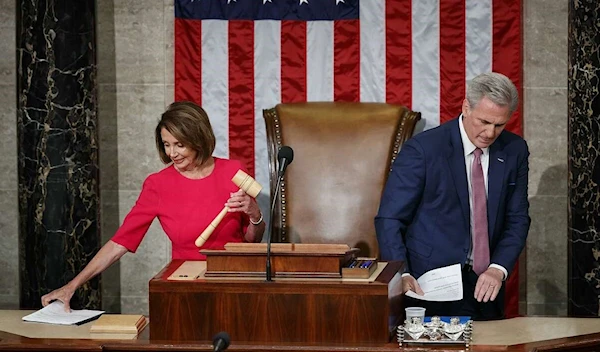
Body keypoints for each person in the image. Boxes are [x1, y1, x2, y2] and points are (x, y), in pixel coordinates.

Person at [42, 101, 266, 311]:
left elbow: (251, 241)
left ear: (199, 139)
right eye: (166, 144)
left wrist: (254, 214)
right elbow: (120, 242)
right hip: (186, 286)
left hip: (236, 278)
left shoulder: (232, 171)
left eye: (180, 144)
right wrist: (73, 285)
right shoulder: (158, 185)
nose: (172, 153)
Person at [375, 72, 530, 320]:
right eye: (484, 121)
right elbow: (389, 219)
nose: (490, 133)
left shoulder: (514, 151)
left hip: (487, 284)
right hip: (429, 285)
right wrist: (401, 273)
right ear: (466, 108)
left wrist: (498, 269)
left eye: (499, 125)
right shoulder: (425, 150)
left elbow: (517, 218)